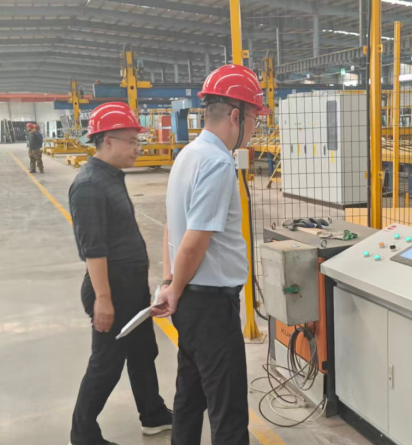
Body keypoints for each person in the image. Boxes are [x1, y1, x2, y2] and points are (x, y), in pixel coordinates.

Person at [152, 64, 269, 445]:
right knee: (228, 411)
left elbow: (172, 227)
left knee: (190, 396)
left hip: (189, 300)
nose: (254, 129)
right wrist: (174, 288)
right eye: (254, 119)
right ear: (236, 116)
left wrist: (171, 283)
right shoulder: (218, 162)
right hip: (211, 306)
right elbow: (195, 240)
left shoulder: (188, 154)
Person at [68, 102, 172, 445]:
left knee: (143, 352)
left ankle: (153, 414)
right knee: (106, 363)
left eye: (137, 141)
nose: (137, 147)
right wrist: (103, 298)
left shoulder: (111, 177)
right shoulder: (89, 185)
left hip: (130, 286)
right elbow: (93, 248)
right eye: (131, 141)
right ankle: (83, 434)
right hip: (111, 287)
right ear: (108, 141)